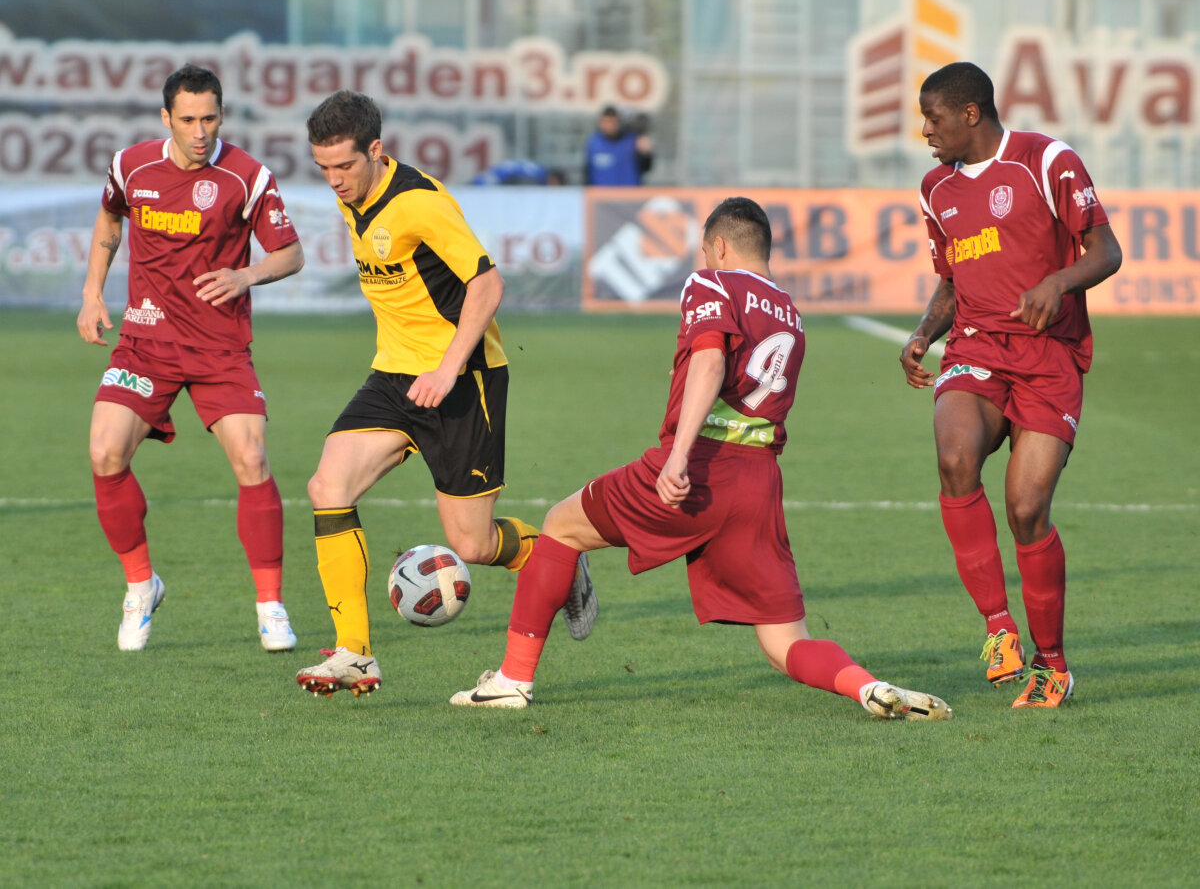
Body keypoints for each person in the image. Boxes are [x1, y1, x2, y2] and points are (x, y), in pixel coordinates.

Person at [452, 197, 952, 721]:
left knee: (560, 527)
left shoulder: (711, 282)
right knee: (784, 643)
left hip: (700, 466)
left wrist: (678, 458)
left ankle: (512, 679)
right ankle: (867, 687)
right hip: (759, 480)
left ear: (719, 246)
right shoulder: (791, 312)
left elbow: (710, 362)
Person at [296, 90, 596, 698]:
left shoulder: (420, 204)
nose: (333, 181)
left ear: (375, 151)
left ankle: (561, 561)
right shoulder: (354, 195)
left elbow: (488, 286)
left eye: (344, 167)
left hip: (465, 380)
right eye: (322, 168)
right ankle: (355, 653)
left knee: (473, 543)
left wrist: (448, 369)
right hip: (394, 376)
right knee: (328, 486)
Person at [901, 61, 1122, 709]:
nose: (925, 131)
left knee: (1026, 510)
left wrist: (1057, 283)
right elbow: (950, 282)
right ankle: (999, 628)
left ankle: (1052, 664)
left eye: (933, 118)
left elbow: (1106, 251)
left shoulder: (1046, 161)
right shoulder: (934, 189)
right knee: (954, 456)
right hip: (976, 347)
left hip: (1049, 353)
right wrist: (923, 335)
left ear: (970, 113)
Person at [77, 63, 305, 653]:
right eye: (187, 120)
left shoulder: (248, 177)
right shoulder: (132, 166)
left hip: (219, 346)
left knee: (252, 459)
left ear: (222, 116)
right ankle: (140, 585)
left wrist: (247, 273)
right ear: (166, 119)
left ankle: (271, 605)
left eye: (209, 118)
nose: (199, 131)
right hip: (146, 342)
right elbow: (110, 215)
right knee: (104, 454)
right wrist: (92, 293)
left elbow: (291, 253)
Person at [583, 105, 653, 186]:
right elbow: (587, 173)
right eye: (605, 122)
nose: (609, 125)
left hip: (629, 194)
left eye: (612, 122)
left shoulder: (631, 140)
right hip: (601, 195)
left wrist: (645, 154)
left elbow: (646, 167)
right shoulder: (594, 143)